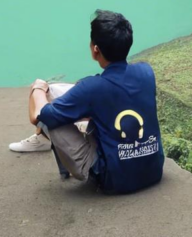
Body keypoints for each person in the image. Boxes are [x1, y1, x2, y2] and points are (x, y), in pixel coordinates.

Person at [10, 10, 165, 194]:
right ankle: (42, 138)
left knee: (50, 111)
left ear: (95, 50)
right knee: (65, 97)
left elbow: (39, 117)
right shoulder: (146, 72)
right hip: (153, 171)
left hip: (113, 179)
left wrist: (37, 88)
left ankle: (42, 137)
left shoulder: (92, 87)